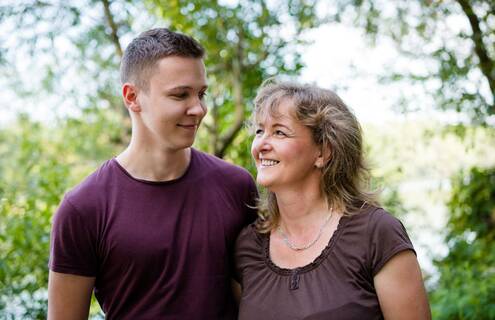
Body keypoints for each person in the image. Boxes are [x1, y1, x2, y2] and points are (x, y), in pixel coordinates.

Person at [48, 28, 257, 320]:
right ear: (132, 97)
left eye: (201, 94)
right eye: (180, 95)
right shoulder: (83, 208)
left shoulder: (236, 186)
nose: (198, 109)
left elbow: (255, 298)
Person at [235, 81, 431, 319]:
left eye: (279, 132)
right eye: (259, 131)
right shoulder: (247, 245)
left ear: (323, 152)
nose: (261, 145)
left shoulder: (377, 233)